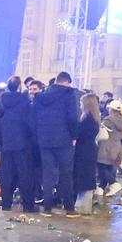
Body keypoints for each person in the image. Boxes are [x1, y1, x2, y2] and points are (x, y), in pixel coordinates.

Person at [32, 72, 79, 212]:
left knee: (48, 174)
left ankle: (47, 207)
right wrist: (74, 135)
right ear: (67, 82)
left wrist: (39, 136)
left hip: (44, 140)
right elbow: (72, 117)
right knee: (66, 173)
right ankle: (69, 207)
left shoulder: (40, 97)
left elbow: (34, 118)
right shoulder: (69, 94)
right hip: (64, 140)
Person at [0, 76, 37, 211]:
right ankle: (27, 205)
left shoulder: (2, 101)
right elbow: (29, 122)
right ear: (20, 87)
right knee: (25, 174)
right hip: (22, 143)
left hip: (6, 142)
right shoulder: (24, 102)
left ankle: (6, 202)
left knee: (6, 174)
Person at [71, 91, 102, 213]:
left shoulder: (87, 121)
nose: (80, 106)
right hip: (89, 151)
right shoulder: (93, 119)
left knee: (83, 178)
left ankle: (83, 207)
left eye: (81, 103)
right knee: (87, 177)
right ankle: (83, 206)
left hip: (84, 152)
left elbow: (80, 135)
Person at [97, 98, 122, 194]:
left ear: (111, 109)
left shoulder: (108, 120)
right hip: (117, 147)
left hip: (106, 147)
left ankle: (114, 183)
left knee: (101, 166)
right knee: (109, 167)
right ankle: (101, 189)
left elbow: (100, 132)